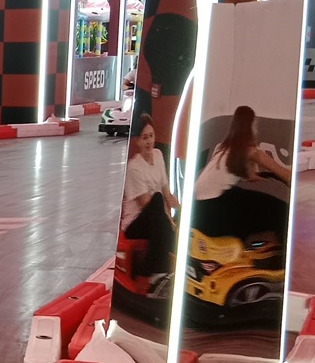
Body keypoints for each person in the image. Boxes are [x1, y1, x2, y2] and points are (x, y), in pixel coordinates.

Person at [192, 105, 289, 242]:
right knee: (282, 210)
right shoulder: (251, 151)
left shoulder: (221, 148)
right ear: (251, 126)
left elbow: (248, 175)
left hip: (197, 211)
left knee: (238, 194)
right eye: (255, 125)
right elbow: (285, 174)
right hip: (217, 212)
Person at [120, 114, 178, 277]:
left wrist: (182, 211)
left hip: (155, 219)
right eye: (144, 137)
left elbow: (167, 192)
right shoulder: (134, 167)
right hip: (135, 224)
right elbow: (148, 205)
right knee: (157, 200)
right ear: (138, 141)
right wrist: (169, 222)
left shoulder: (158, 155)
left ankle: (170, 261)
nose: (149, 141)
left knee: (166, 209)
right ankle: (157, 265)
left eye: (151, 136)